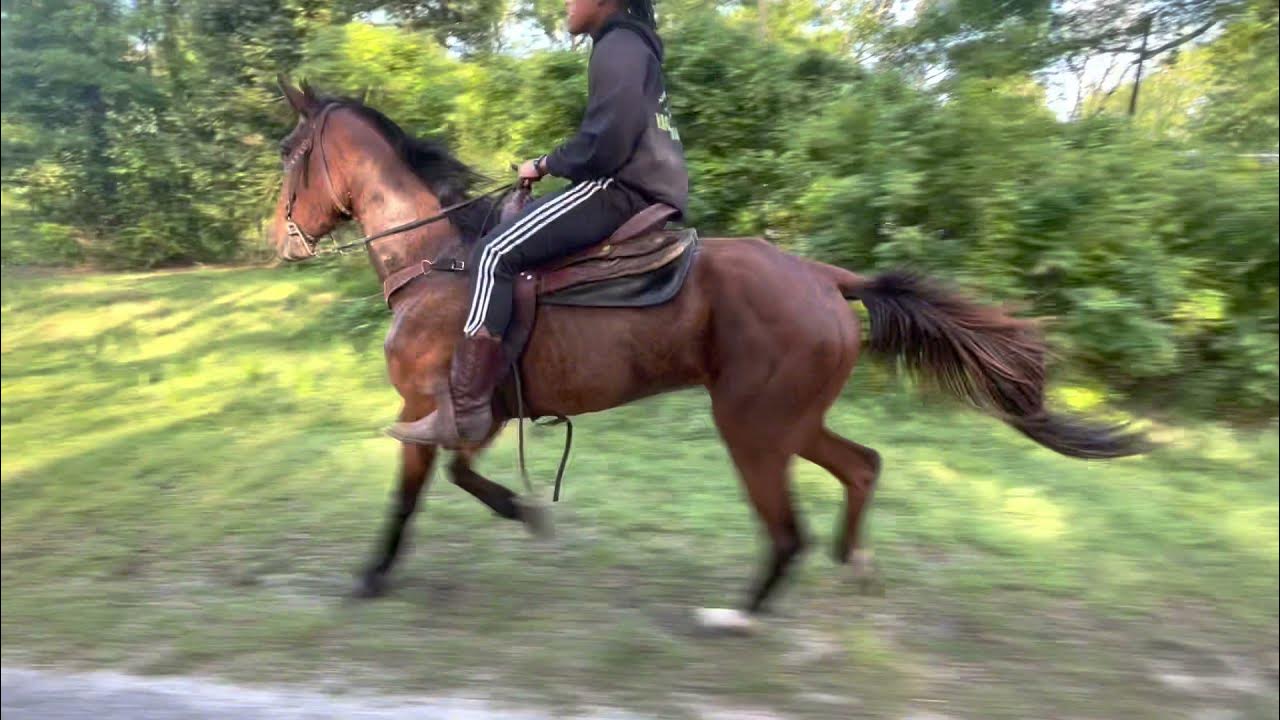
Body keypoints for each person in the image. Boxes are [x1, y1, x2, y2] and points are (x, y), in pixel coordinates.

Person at [390, 0, 688, 447]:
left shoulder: (618, 46)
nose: (567, 3)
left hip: (619, 188)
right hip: (642, 185)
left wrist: (545, 163)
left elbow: (603, 146)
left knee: (492, 252)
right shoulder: (631, 45)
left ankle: (467, 410)